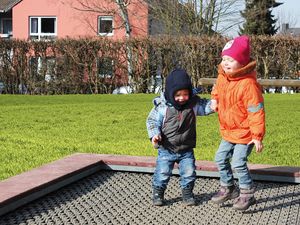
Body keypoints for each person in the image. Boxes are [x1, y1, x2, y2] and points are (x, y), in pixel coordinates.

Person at [210, 35, 265, 211]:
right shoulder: (222, 76)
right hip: (229, 131)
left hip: (246, 134)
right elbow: (216, 90)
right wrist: (214, 99)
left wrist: (257, 136)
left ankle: (247, 193)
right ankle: (228, 188)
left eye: (231, 60)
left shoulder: (248, 85)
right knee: (220, 158)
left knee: (238, 163)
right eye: (224, 58)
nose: (225, 63)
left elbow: (256, 111)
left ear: (241, 62)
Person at [146, 68, 214, 206]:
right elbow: (152, 121)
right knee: (163, 172)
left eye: (185, 94)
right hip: (166, 149)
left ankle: (187, 193)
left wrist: (216, 103)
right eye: (178, 95)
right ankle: (158, 192)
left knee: (189, 172)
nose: (182, 98)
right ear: (170, 94)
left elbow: (207, 108)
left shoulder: (193, 104)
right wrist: (155, 135)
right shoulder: (162, 107)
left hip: (186, 149)